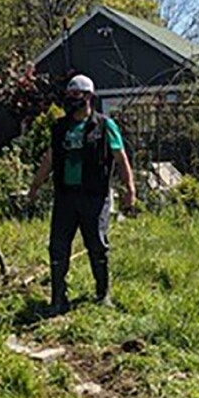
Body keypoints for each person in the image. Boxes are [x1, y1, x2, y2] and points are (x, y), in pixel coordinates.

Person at [28, 74, 136, 314]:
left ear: (88, 97)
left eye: (75, 95)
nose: (70, 99)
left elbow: (120, 158)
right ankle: (58, 299)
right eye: (69, 95)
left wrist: (130, 189)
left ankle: (102, 294)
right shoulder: (60, 127)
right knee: (58, 246)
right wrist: (35, 186)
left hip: (95, 196)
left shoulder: (104, 125)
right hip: (66, 196)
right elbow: (49, 159)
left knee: (96, 244)